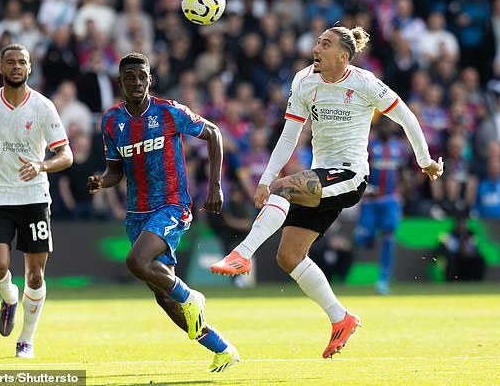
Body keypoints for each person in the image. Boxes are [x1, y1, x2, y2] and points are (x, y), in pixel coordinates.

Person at [210, 26, 444, 359]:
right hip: (322, 178)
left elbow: (406, 117)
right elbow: (290, 136)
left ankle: (242, 253)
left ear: (343, 56)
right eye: (317, 42)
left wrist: (425, 162)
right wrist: (264, 178)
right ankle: (341, 318)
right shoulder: (304, 81)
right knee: (288, 257)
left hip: (350, 175)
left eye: (325, 44)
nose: (316, 48)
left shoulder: (364, 84)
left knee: (284, 188)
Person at [87, 52, 239, 372]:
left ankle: (191, 297)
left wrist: (214, 186)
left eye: (142, 76)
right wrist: (102, 181)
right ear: (120, 82)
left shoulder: (168, 111)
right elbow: (116, 170)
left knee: (137, 262)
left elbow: (213, 133)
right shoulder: (111, 121)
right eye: (130, 77)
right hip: (136, 212)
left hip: (172, 204)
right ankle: (222, 348)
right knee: (162, 295)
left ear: (149, 79)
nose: (137, 82)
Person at [0, 43, 73, 358]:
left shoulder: (43, 107)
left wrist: (42, 165)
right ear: (0, 68)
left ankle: (26, 338)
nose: (15, 67)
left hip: (34, 196)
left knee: (36, 275)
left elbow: (66, 155)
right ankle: (10, 297)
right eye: (9, 62)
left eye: (21, 62)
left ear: (29, 68)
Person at [353, 118, 409, 295]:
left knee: (389, 237)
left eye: (390, 125)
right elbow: (359, 169)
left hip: (390, 199)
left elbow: (402, 172)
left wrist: (403, 192)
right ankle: (363, 236)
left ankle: (383, 280)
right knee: (365, 238)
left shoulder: (398, 148)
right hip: (370, 200)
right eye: (384, 125)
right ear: (378, 127)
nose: (387, 128)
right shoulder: (369, 146)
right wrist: (365, 188)